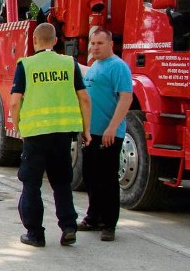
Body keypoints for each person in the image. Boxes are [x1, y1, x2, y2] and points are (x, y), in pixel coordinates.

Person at [10, 23, 91, 247]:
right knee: (62, 182)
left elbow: (15, 101)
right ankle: (68, 227)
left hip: (35, 135)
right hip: (63, 135)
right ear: (55, 41)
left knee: (32, 184)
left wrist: (19, 128)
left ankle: (35, 234)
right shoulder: (68, 63)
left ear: (34, 41)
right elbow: (84, 98)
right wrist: (85, 129)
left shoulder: (26, 65)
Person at [78, 28, 132, 242]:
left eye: (100, 43)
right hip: (92, 133)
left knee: (107, 179)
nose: (95, 47)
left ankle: (109, 224)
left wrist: (112, 128)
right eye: (92, 43)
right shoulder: (94, 67)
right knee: (90, 177)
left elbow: (125, 99)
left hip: (110, 134)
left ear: (111, 44)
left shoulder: (118, 67)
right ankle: (93, 218)